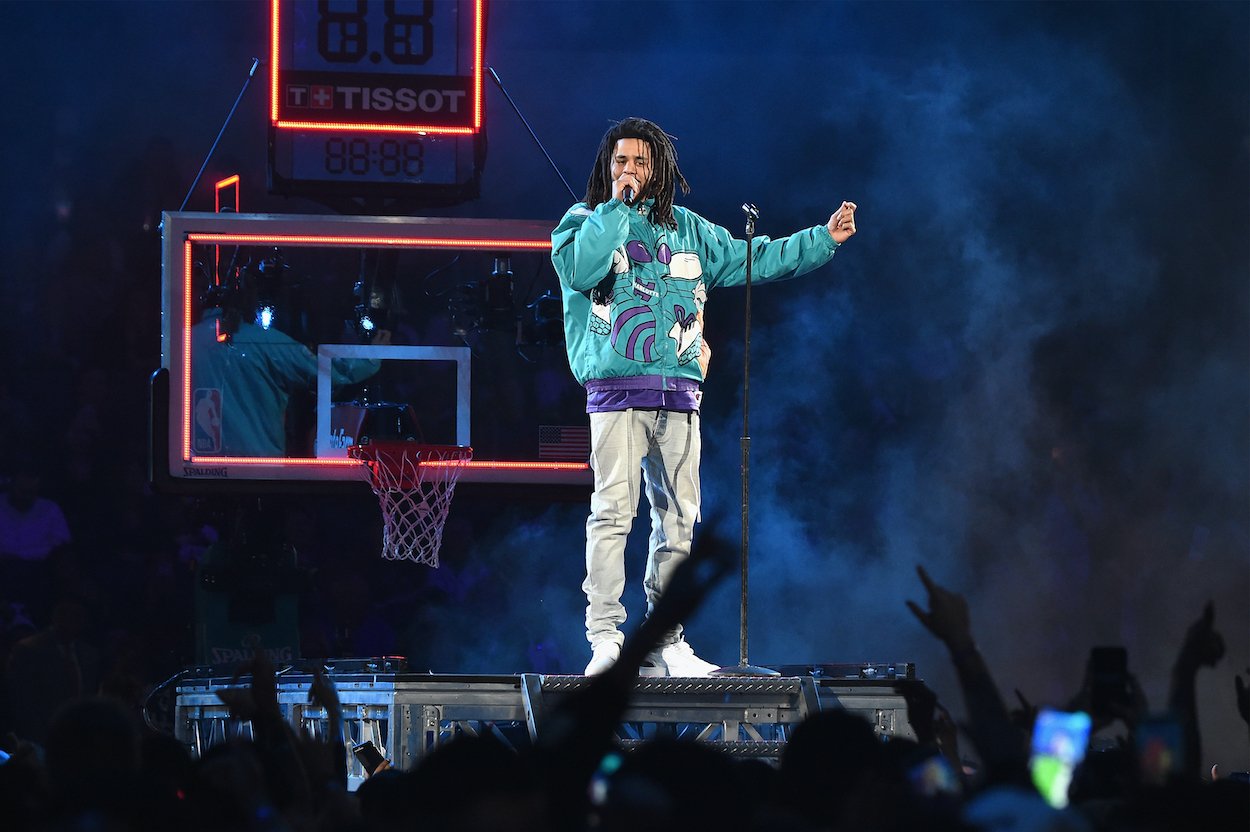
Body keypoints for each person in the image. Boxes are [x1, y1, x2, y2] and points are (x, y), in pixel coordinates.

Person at [551, 117, 858, 676]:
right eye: (620, 162)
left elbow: (753, 258)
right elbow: (582, 269)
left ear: (659, 169)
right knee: (613, 513)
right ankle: (605, 639)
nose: (630, 171)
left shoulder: (689, 231)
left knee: (678, 519)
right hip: (617, 394)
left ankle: (666, 640)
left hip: (680, 396)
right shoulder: (581, 224)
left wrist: (821, 240)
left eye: (640, 163)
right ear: (607, 167)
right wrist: (616, 211)